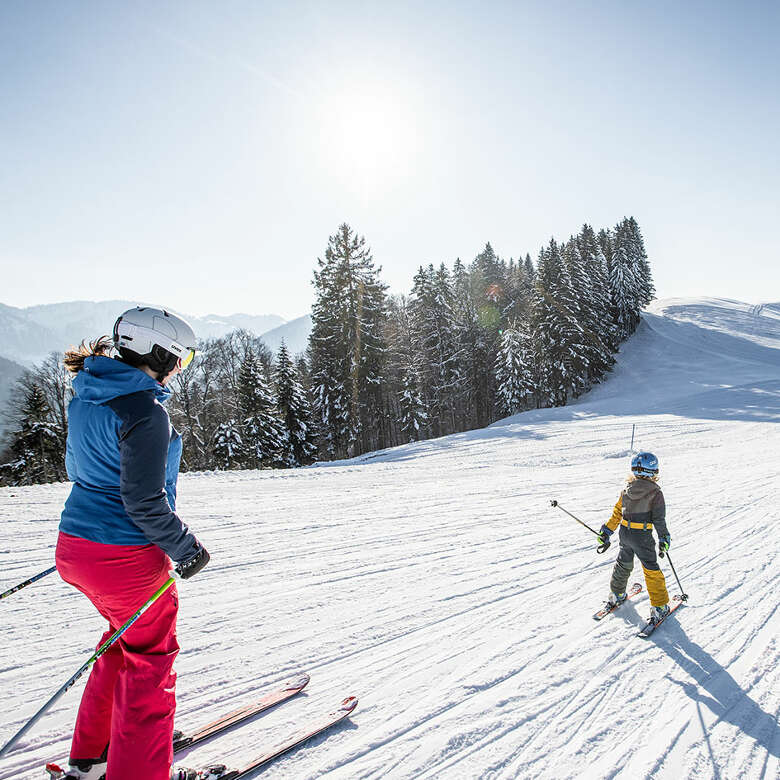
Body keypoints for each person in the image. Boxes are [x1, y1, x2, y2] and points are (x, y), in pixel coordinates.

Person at [55, 306, 210, 780]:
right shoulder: (145, 411)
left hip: (75, 547)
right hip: (125, 558)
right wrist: (186, 548)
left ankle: (93, 756)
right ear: (158, 353)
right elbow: (144, 502)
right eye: (178, 360)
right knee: (151, 663)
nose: (177, 371)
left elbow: (78, 470)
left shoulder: (87, 393)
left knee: (120, 644)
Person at [596, 452, 671, 623]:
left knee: (623, 564)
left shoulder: (626, 490)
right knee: (651, 568)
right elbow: (659, 519)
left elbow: (617, 514)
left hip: (625, 533)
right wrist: (664, 538)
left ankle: (616, 594)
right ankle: (659, 606)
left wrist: (606, 531)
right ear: (653, 472)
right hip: (642, 536)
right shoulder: (656, 493)